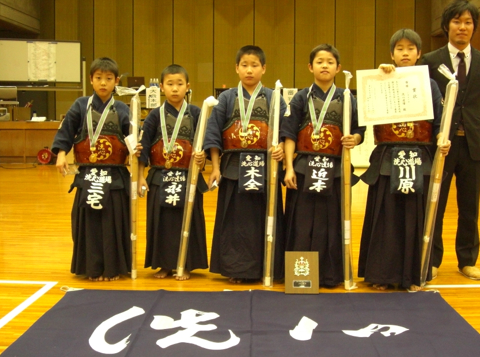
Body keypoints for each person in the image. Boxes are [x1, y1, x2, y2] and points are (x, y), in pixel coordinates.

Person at [358, 29, 449, 292]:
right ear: (392, 53)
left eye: (411, 48)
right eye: (399, 48)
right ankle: (381, 274)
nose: (405, 53)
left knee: (412, 216)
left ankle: (412, 275)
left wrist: (442, 137)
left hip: (418, 157)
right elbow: (367, 112)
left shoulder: (430, 84)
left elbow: (439, 120)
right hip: (388, 157)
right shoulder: (381, 78)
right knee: (386, 216)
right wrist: (379, 78)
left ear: (419, 53)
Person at [420, 0, 480, 281]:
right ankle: (433, 259)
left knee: (469, 206)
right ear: (446, 26)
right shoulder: (430, 60)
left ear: (473, 27)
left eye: (468, 22)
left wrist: (469, 127)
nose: (462, 27)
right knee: (435, 204)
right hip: (441, 144)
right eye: (456, 21)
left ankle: (467, 260)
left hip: (473, 144)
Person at [281, 44, 365, 288]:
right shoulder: (300, 97)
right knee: (302, 224)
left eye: (330, 61)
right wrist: (288, 167)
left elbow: (360, 129)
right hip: (304, 168)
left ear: (338, 68)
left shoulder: (347, 97)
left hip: (336, 170)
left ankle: (330, 276)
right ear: (310, 67)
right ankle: (301, 277)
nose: (325, 65)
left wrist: (355, 139)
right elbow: (288, 134)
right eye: (319, 61)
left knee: (333, 223)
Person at [203, 45, 287, 284]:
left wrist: (280, 146)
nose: (249, 70)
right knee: (235, 222)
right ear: (237, 68)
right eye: (244, 65)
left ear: (264, 68)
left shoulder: (274, 98)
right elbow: (213, 135)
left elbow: (286, 132)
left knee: (263, 219)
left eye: (254, 65)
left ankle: (266, 266)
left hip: (265, 169)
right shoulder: (226, 98)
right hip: (233, 169)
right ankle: (236, 269)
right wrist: (216, 168)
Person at [53, 57, 132, 282]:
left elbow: (131, 138)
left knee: (113, 223)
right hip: (88, 174)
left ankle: (114, 268)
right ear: (91, 80)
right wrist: (60, 154)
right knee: (89, 222)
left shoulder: (123, 109)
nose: (103, 83)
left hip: (115, 175)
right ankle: (91, 267)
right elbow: (67, 131)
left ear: (116, 81)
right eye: (98, 78)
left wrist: (137, 153)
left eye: (108, 79)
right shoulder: (80, 105)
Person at [137, 64, 208, 281]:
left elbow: (206, 143)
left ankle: (185, 264)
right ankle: (164, 265)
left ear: (188, 86)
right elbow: (144, 147)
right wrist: (140, 176)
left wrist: (202, 156)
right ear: (161, 87)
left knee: (187, 220)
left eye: (179, 84)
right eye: (170, 84)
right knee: (162, 222)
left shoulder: (197, 113)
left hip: (187, 177)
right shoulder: (153, 116)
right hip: (160, 176)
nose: (175, 89)